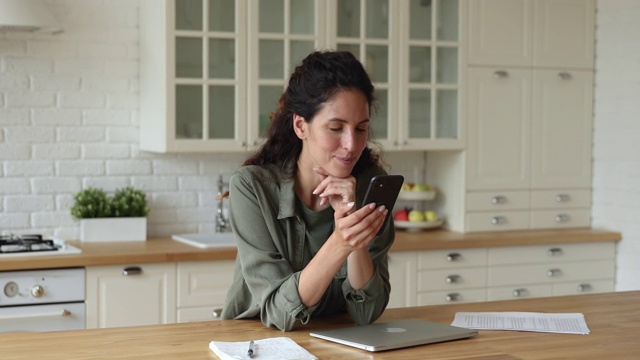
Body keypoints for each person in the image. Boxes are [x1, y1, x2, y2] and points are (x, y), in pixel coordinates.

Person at [221, 50, 395, 331]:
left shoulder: (371, 187)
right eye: (336, 127)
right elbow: (279, 313)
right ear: (301, 125)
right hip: (256, 342)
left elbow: (368, 312)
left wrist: (356, 238)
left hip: (336, 342)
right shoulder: (252, 187)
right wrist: (342, 241)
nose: (352, 144)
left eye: (361, 129)